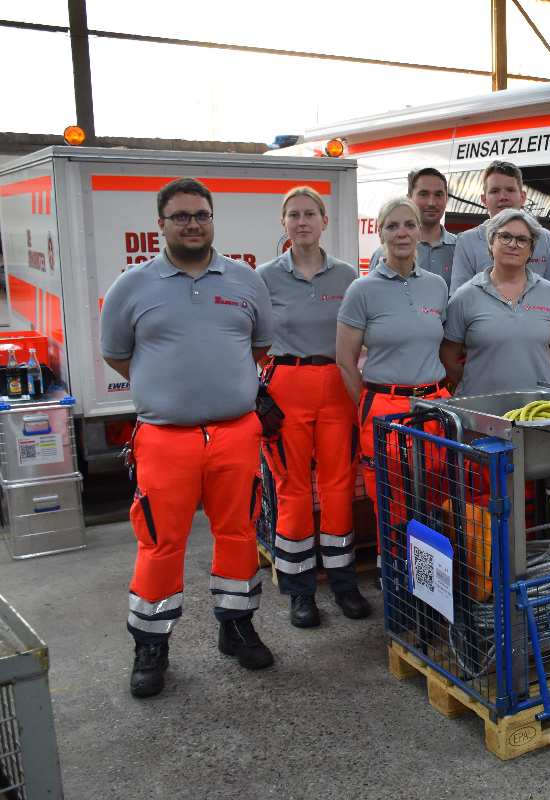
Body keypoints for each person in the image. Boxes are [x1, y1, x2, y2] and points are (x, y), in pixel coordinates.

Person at [100, 178, 274, 699]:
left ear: (212, 219)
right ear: (161, 224)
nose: (192, 224)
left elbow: (258, 347)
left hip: (236, 434)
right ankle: (151, 646)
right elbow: (117, 354)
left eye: (201, 214)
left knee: (239, 533)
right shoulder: (131, 286)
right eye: (180, 216)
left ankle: (236, 626)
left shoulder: (245, 280)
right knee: (160, 543)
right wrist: (169, 390)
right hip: (164, 438)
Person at [258, 186, 368, 629]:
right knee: (293, 488)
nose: (301, 221)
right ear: (283, 223)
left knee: (339, 486)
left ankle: (343, 583)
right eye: (293, 215)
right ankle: (300, 591)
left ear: (324, 221)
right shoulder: (265, 277)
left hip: (337, 384)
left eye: (309, 214)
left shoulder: (347, 277)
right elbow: (245, 336)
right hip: (287, 386)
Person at [336, 197, 451, 519]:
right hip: (386, 406)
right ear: (381, 233)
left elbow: (442, 345)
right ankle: (394, 551)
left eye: (409, 225)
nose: (402, 232)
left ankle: (430, 552)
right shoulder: (362, 290)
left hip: (434, 405)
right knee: (392, 504)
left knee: (437, 496)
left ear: (419, 232)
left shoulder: (436, 286)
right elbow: (345, 360)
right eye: (392, 226)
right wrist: (368, 404)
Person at [441, 208, 550, 396]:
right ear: (491, 243)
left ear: (531, 249)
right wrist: (476, 387)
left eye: (522, 239)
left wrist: (538, 385)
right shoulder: (465, 296)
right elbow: (449, 357)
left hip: (534, 407)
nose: (513, 244)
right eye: (505, 237)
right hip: (480, 409)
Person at [448, 160, 550, 293]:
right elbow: (460, 297)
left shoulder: (544, 238)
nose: (503, 197)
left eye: (510, 190)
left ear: (522, 197)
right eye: (495, 191)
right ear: (484, 200)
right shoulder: (467, 241)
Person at [366, 167, 456, 286]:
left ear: (446, 199)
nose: (432, 203)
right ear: (409, 198)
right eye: (423, 194)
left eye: (438, 195)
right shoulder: (384, 253)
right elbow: (372, 292)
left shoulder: (460, 249)